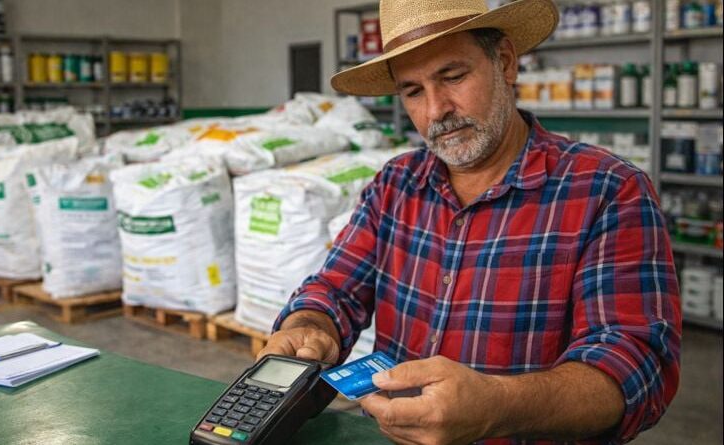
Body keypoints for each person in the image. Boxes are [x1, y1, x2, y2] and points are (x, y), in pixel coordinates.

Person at [258, 0, 681, 444]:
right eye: (413, 91)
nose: (436, 110)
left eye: (453, 76)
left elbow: (636, 365)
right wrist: (308, 326)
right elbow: (335, 288)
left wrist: (499, 406)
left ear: (505, 62)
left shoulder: (607, 190)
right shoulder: (396, 184)